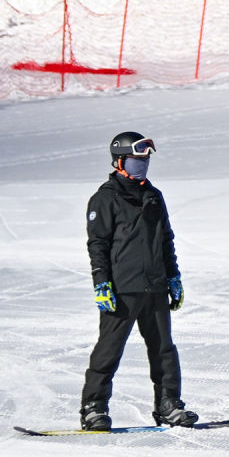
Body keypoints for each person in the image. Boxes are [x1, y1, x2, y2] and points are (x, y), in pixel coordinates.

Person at [80, 132, 197, 429]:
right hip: (122, 288)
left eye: (145, 159)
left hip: (155, 286)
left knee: (163, 350)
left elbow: (166, 240)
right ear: (120, 161)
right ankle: (94, 408)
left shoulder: (154, 196)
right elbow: (98, 245)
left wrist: (173, 277)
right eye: (136, 159)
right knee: (109, 350)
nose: (142, 164)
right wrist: (101, 283)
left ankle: (169, 405)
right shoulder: (105, 198)